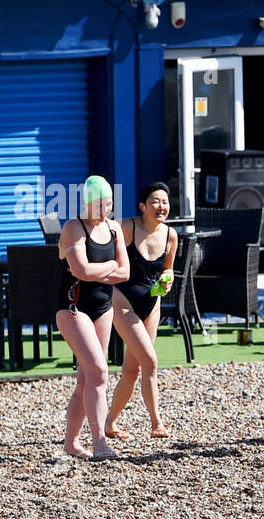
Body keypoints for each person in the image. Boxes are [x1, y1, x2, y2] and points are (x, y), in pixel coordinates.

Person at [55, 175, 129, 459]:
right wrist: (111, 266)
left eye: (109, 203)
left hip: (103, 307)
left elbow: (126, 273)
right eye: (99, 203)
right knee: (99, 370)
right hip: (72, 308)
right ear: (87, 202)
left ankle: (71, 444)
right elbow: (81, 271)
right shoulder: (74, 228)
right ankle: (99, 442)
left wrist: (106, 268)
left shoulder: (114, 229)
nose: (105, 209)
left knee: (86, 377)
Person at [105, 181, 178, 441]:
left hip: (152, 303)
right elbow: (107, 258)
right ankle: (157, 422)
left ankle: (109, 423)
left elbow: (167, 268)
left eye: (165, 202)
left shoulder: (171, 235)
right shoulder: (128, 227)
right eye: (156, 201)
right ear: (142, 206)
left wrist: (168, 279)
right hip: (123, 300)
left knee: (132, 370)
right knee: (150, 361)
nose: (161, 207)